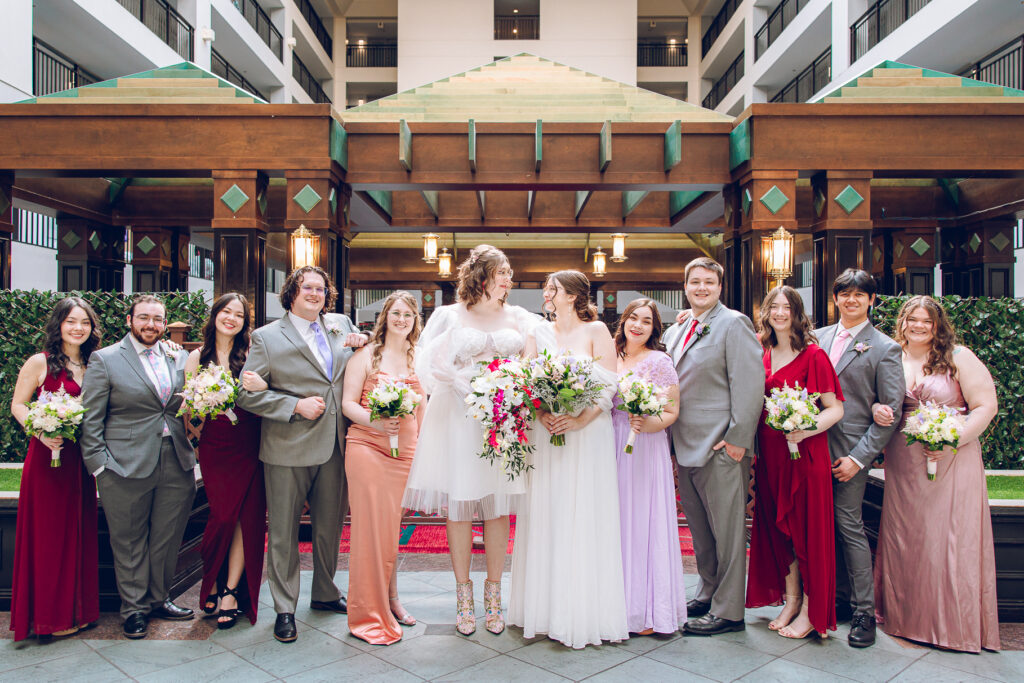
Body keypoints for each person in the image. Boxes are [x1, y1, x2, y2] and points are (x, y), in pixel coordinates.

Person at [403, 244, 540, 636]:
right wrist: (456, 380)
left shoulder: (519, 317)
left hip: (503, 418)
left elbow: (547, 346)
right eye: (503, 272)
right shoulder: (449, 315)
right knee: (461, 505)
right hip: (459, 418)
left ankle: (493, 595)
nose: (509, 279)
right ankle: (463, 597)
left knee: (497, 507)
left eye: (510, 272)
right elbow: (424, 363)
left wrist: (513, 388)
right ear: (481, 276)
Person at [237, 265, 367, 643]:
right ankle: (284, 608)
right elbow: (246, 394)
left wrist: (362, 344)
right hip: (287, 445)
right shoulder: (265, 337)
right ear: (291, 293)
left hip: (336, 444)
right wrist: (293, 405)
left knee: (329, 528)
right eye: (307, 288)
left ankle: (325, 593)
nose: (315, 294)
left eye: (321, 289)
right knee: (283, 531)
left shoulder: (341, 325)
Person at [869, 296, 1000, 652]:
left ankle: (949, 627)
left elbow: (986, 406)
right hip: (904, 462)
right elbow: (877, 399)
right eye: (913, 319)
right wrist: (879, 408)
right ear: (904, 321)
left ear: (938, 324)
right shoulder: (891, 355)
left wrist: (952, 439)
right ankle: (903, 618)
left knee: (946, 540)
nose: (919, 325)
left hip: (951, 461)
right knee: (906, 538)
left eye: (927, 320)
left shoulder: (960, 357)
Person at [508, 269, 629, 649]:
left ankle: (581, 612)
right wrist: (542, 413)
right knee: (548, 513)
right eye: (546, 288)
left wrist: (578, 420)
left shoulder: (596, 332)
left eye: (553, 288)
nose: (546, 293)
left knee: (582, 514)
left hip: (586, 435)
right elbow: (525, 383)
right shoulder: (536, 334)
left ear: (574, 295)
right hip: (548, 435)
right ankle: (542, 611)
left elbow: (610, 385)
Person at [80, 294, 197, 639]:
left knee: (166, 535)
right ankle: (133, 609)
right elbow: (90, 419)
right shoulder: (106, 359)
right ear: (130, 320)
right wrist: (100, 465)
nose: (151, 325)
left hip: (174, 457)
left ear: (165, 324)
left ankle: (159, 598)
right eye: (144, 317)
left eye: (158, 319)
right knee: (129, 540)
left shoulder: (178, 357)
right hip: (123, 464)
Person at [663, 257, 764, 636]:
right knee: (701, 529)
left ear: (720, 287)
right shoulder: (680, 327)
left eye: (709, 282)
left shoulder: (734, 324)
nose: (701, 288)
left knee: (728, 532)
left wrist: (738, 440)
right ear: (685, 286)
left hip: (721, 444)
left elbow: (750, 385)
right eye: (695, 282)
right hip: (683, 441)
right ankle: (707, 591)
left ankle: (729, 611)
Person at [746, 286, 844, 639]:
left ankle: (811, 611)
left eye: (787, 307)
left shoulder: (814, 355)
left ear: (797, 312)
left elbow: (835, 408)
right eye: (774, 306)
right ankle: (790, 600)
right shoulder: (762, 351)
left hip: (805, 457)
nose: (780, 312)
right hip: (771, 456)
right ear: (766, 311)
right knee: (778, 530)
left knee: (807, 534)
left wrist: (804, 430)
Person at [815, 268, 904, 648]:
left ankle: (864, 611)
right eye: (844, 294)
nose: (851, 300)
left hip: (850, 452)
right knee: (820, 524)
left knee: (848, 526)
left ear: (871, 300)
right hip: (812, 445)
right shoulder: (817, 339)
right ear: (835, 298)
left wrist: (858, 458)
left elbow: (891, 411)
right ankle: (835, 599)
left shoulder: (884, 348)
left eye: (859, 295)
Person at [9, 297, 101, 641]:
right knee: (48, 536)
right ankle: (48, 617)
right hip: (48, 458)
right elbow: (18, 404)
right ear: (59, 324)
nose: (78, 328)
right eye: (71, 321)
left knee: (78, 532)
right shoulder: (40, 362)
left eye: (85, 323)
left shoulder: (95, 364)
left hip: (80, 460)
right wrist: (40, 429)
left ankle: (78, 611)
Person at [341, 291, 425, 645]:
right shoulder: (365, 355)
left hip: (404, 453)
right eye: (395, 313)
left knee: (390, 529)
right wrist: (376, 422)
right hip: (366, 448)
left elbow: (424, 410)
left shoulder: (420, 358)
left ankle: (391, 599)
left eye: (408, 314)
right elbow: (347, 403)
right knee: (369, 531)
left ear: (415, 320)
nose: (401, 319)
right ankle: (368, 612)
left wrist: (421, 450)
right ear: (385, 316)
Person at [185, 293, 265, 630]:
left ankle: (231, 590)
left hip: (249, 442)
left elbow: (265, 394)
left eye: (239, 315)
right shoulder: (195, 357)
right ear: (215, 315)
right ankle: (211, 581)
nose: (231, 318)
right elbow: (188, 409)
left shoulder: (251, 355)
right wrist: (204, 407)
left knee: (245, 518)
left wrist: (260, 385)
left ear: (245, 322)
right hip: (215, 446)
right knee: (221, 516)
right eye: (226, 312)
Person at [611, 298, 686, 636]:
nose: (637, 325)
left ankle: (643, 611)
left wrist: (644, 422)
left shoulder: (660, 361)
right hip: (607, 443)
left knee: (641, 521)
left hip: (644, 445)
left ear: (655, 328)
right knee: (612, 522)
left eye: (646, 321)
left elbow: (671, 412)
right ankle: (609, 604)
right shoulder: (607, 354)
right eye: (632, 317)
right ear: (623, 320)